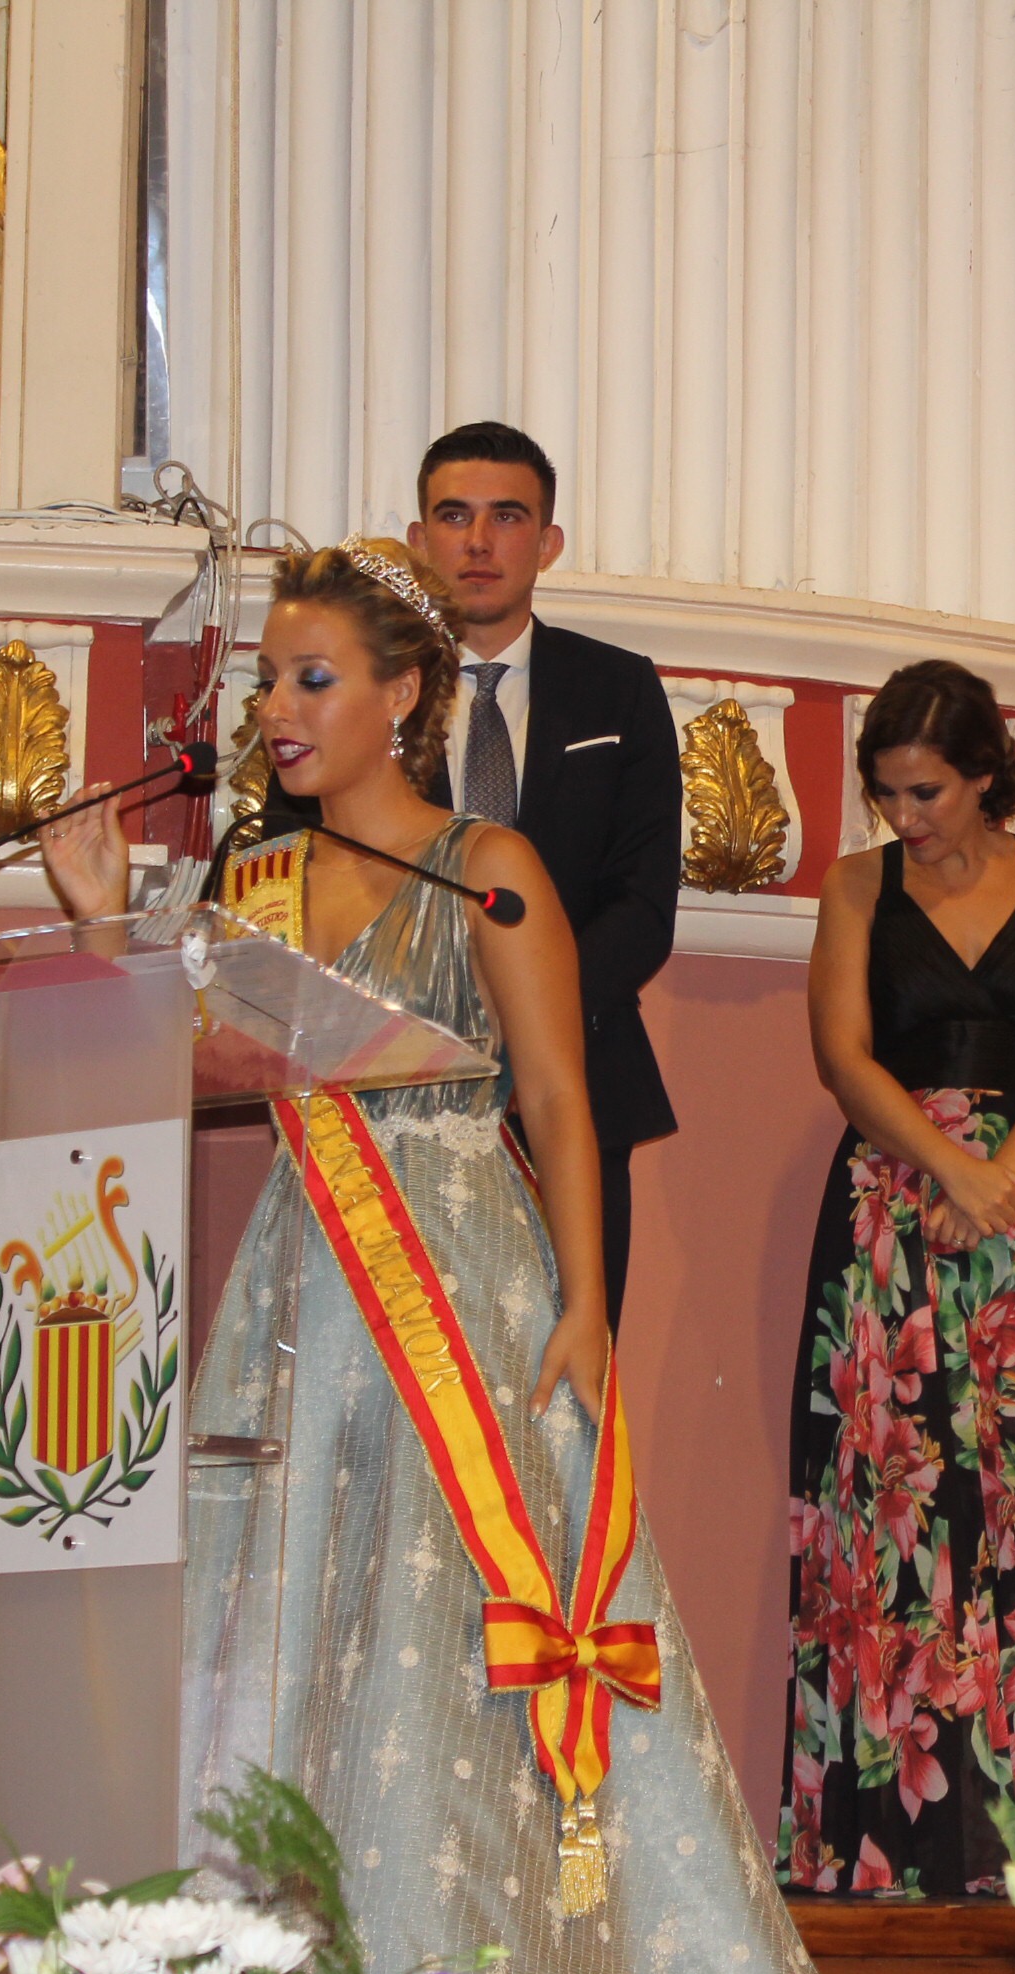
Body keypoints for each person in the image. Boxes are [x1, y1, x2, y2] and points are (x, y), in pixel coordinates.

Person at [39, 539, 839, 1974]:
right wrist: (92, 929)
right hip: (304, 1281)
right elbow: (163, 1071)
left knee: (446, 1622)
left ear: (402, 696)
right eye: (268, 681)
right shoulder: (251, 885)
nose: (276, 708)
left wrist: (590, 1306)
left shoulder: (492, 866)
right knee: (297, 1613)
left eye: (311, 678)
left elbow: (560, 1098)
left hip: (466, 1277)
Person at [775, 659, 1015, 1898]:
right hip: (889, 1212)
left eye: (923, 791)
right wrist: (948, 1169)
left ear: (985, 776)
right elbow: (844, 1057)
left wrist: (1003, 1177)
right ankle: (884, 1839)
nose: (902, 816)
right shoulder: (854, 889)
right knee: (895, 1509)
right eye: (886, 793)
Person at [254, 420, 684, 1329]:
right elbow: (289, 865)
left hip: (577, 1076)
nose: (479, 542)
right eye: (454, 516)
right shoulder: (348, 692)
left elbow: (643, 905)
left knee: (556, 1363)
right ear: (419, 538)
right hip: (387, 1100)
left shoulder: (618, 689)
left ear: (548, 542)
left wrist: (523, 1018)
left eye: (507, 517)